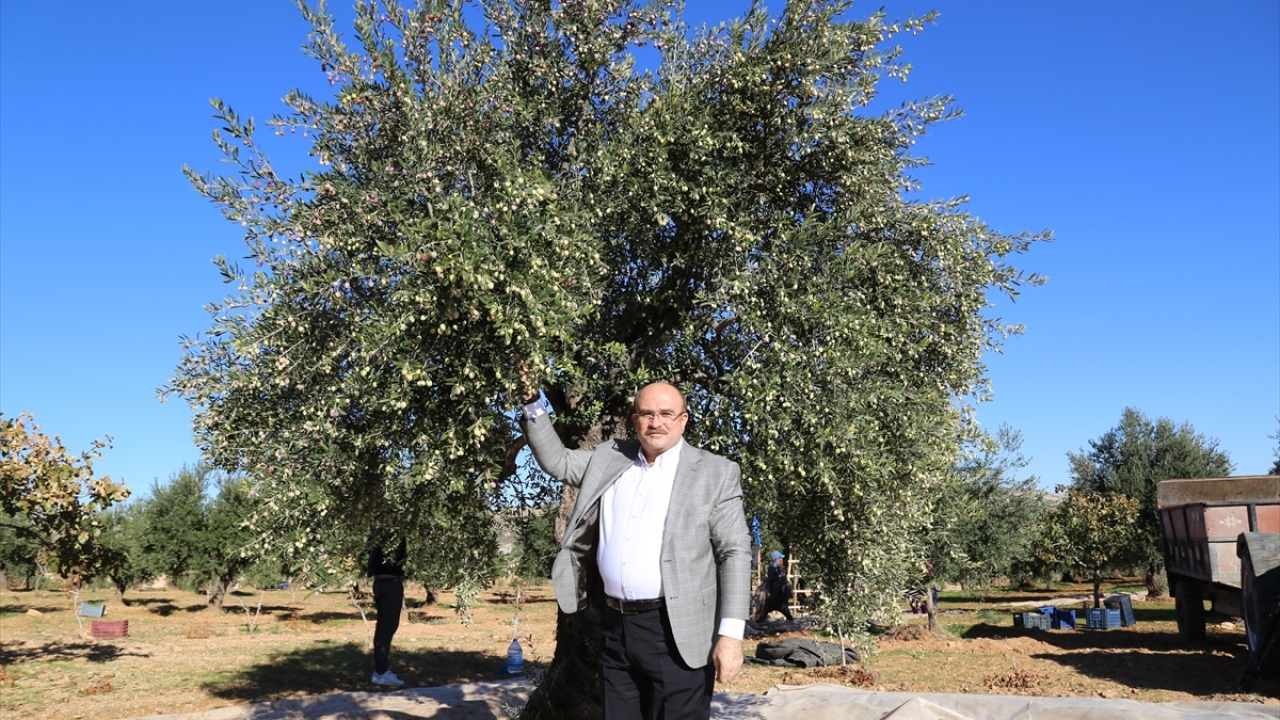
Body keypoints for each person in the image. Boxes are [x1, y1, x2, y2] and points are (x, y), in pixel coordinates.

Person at [521, 381, 751, 720]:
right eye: (646, 414)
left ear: (683, 420)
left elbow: (735, 552)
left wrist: (731, 636)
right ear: (634, 420)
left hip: (676, 630)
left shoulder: (715, 472)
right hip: (614, 628)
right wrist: (531, 401)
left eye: (666, 414)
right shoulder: (610, 459)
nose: (655, 422)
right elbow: (557, 462)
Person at [367, 533, 407, 687]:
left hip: (382, 582)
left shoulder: (379, 530)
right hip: (390, 584)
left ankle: (381, 670)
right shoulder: (391, 531)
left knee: (384, 627)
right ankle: (381, 672)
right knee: (387, 627)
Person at [763, 550, 794, 621]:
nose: (781, 559)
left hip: (780, 591)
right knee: (771, 605)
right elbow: (771, 578)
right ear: (776, 558)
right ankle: (762, 618)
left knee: (781, 606)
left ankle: (790, 618)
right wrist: (779, 577)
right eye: (780, 558)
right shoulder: (773, 566)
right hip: (775, 591)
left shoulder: (780, 567)